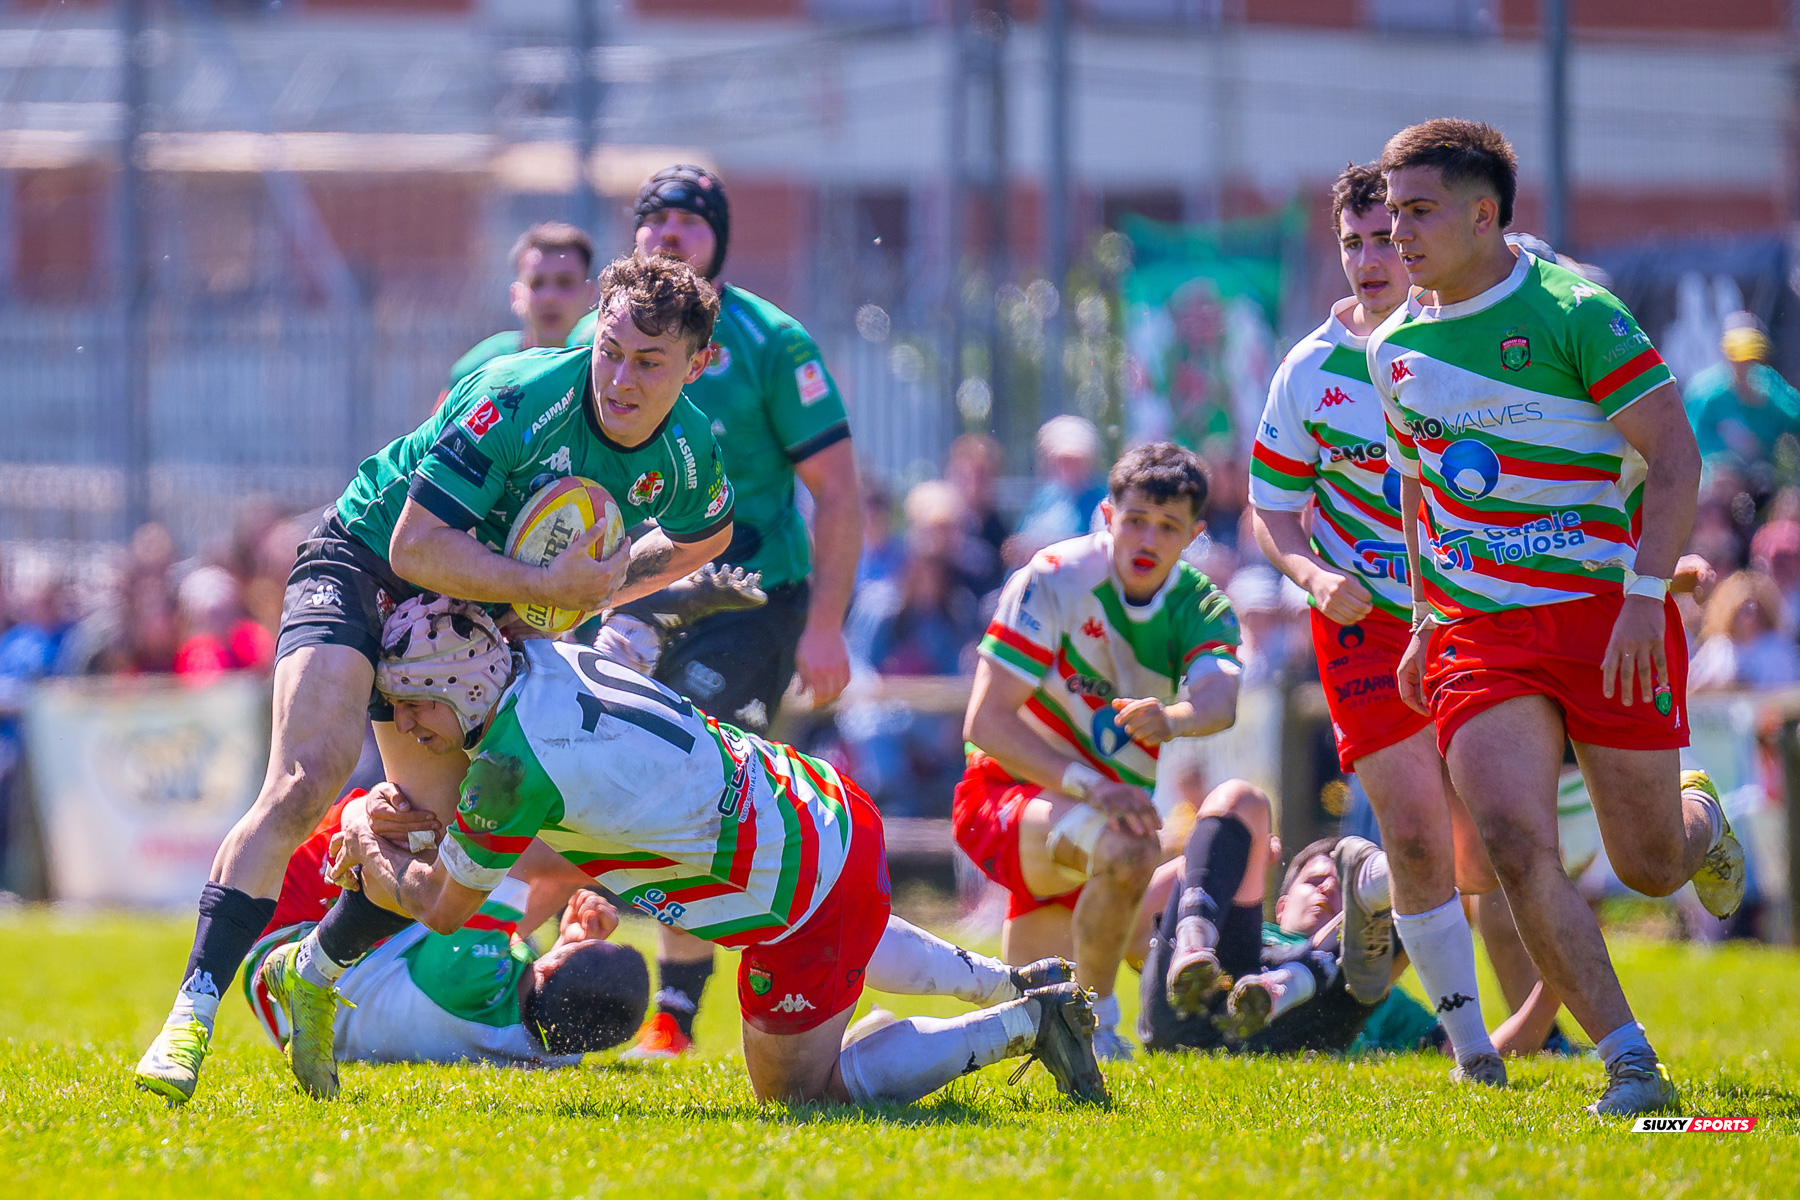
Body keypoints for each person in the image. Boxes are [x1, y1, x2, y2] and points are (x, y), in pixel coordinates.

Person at [134, 253, 738, 1106]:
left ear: (697, 364)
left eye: (648, 362)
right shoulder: (520, 395)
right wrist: (544, 589)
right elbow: (414, 545)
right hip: (362, 560)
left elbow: (707, 535)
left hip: (464, 611)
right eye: (610, 350)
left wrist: (599, 588)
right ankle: (189, 1017)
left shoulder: (686, 450)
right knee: (306, 779)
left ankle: (314, 971)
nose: (620, 379)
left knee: (439, 840)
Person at [323, 596, 1108, 1108]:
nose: (404, 725)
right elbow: (624, 641)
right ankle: (1013, 980)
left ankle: (1025, 1021)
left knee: (799, 1095)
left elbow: (442, 909)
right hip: (820, 799)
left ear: (463, 686)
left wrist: (360, 834)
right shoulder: (549, 658)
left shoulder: (509, 771)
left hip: (795, 891)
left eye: (413, 702)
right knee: (849, 935)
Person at [1373, 118, 1744, 1116]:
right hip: (1479, 632)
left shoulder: (1576, 310)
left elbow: (1675, 457)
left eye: (1418, 211)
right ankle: (1630, 1062)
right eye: (1392, 211)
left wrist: (1642, 599)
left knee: (1649, 865)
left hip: (1604, 616)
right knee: (1509, 838)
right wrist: (1423, 619)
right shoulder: (1392, 348)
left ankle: (1701, 820)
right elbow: (1417, 489)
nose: (1397, 232)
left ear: (1483, 214)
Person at [1249, 162, 1509, 1085]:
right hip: (1362, 623)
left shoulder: (1472, 343)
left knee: (1489, 848)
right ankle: (1474, 1053)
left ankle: (1368, 886)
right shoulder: (1309, 369)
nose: (1369, 259)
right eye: (1352, 242)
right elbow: (1271, 507)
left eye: (1384, 241)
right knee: (1420, 835)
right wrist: (1314, 577)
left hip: (1470, 615)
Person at [609, 165, 863, 1062]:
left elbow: (839, 491)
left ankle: (675, 1013)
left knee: (691, 772)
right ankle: (525, 971)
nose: (671, 232)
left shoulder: (770, 341)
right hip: (628, 594)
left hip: (751, 601)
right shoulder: (607, 338)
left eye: (692, 219)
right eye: (656, 218)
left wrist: (826, 623)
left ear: (719, 239)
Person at [956, 442, 1242, 1061]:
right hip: (1008, 797)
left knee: (1023, 1035)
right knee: (1133, 850)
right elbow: (986, 722)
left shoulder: (1200, 603)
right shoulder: (1054, 576)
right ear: (1108, 515)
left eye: (1168, 527)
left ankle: (883, 1047)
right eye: (1135, 520)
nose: (1147, 539)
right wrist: (1094, 786)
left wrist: (1173, 719)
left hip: (1094, 823)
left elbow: (1221, 701)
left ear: (1194, 536)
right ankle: (1105, 1025)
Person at [245, 791, 649, 1068]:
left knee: (419, 812)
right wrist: (569, 943)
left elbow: (518, 855)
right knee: (558, 871)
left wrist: (633, 853)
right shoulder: (566, 1045)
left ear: (551, 968)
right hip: (333, 1015)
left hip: (285, 962)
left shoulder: (467, 976)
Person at [1139, 807, 1562, 1060]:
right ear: (1280, 906)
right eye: (1314, 880)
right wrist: (1227, 860)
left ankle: (1301, 975)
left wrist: (1553, 987)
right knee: (1240, 801)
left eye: (1342, 887)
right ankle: (1284, 977)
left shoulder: (1376, 982)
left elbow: (1473, 1051)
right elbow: (1137, 925)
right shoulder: (1234, 940)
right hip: (1205, 1011)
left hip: (1311, 1020)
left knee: (1402, 901)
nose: (1327, 888)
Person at [443, 223, 600, 398]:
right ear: (516, 295)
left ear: (590, 293)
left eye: (565, 283)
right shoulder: (478, 370)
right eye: (536, 283)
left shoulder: (609, 368)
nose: (549, 297)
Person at [1684, 312, 1800, 468]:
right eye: (1738, 355)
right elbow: (1692, 443)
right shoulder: (1705, 393)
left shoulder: (1768, 384)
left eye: (1751, 356)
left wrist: (1764, 401)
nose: (1744, 364)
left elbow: (1795, 419)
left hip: (1764, 472)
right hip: (1716, 475)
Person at [1007, 415, 1108, 567]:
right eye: (1062, 459)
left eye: (1075, 460)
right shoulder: (1044, 498)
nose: (1067, 467)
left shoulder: (1102, 501)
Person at [1690, 569, 1800, 690]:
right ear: (1731, 611)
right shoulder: (1719, 648)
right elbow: (1693, 687)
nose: (1749, 613)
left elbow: (1788, 690)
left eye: (1753, 607)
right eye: (1743, 608)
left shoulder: (1776, 647)